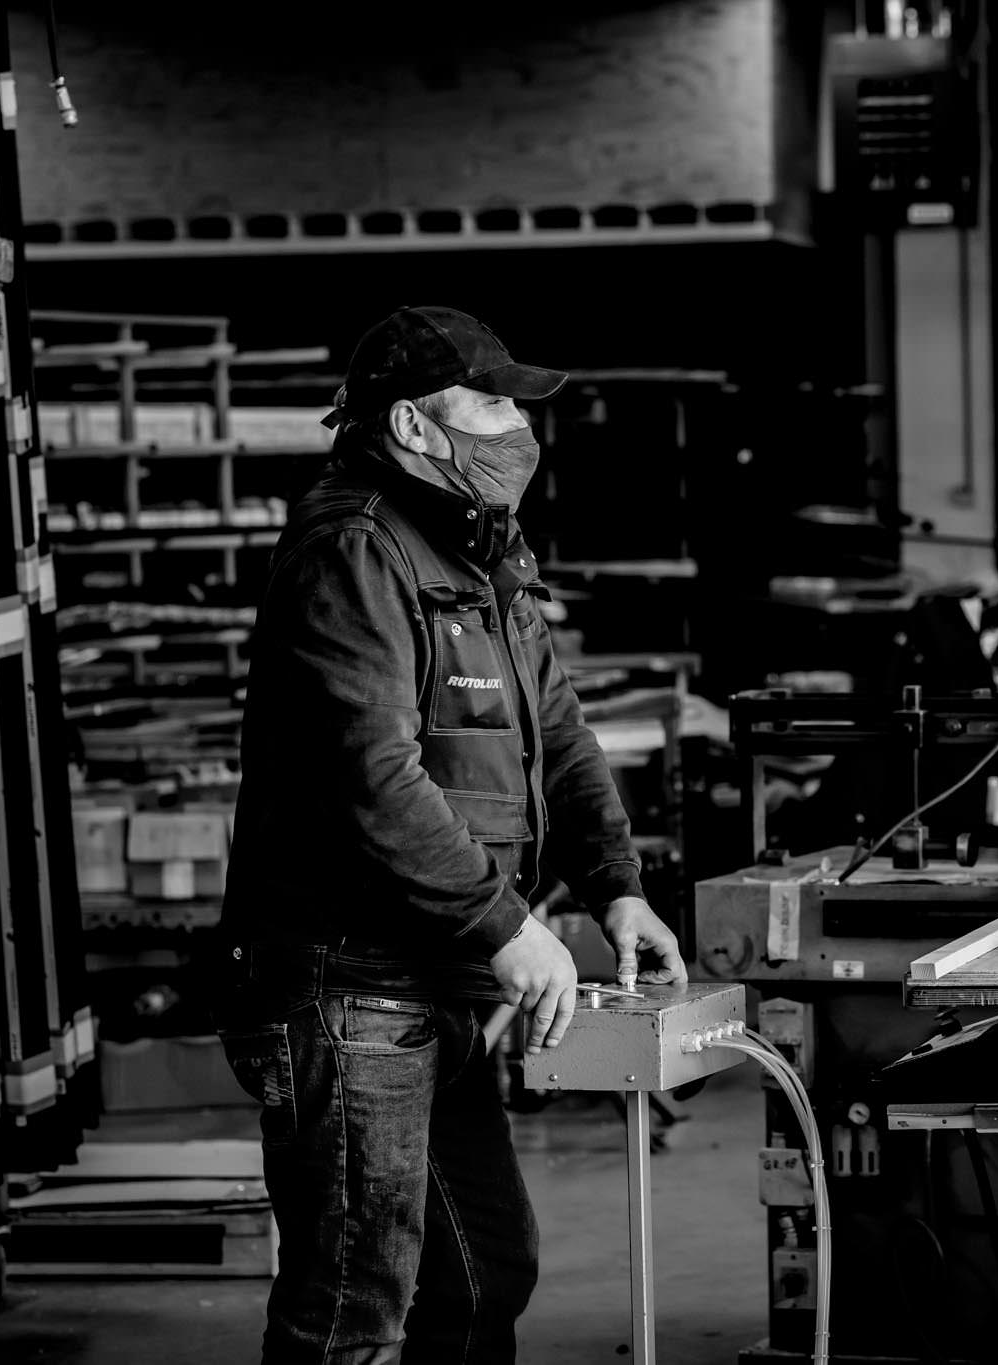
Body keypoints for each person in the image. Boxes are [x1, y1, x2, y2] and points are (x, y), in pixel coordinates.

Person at [216, 304, 687, 1363]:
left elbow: (553, 732)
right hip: (352, 990)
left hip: (436, 980)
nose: (519, 424)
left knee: (479, 1275)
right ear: (417, 426)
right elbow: (370, 774)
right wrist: (504, 924)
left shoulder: (480, 555)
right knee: (352, 1307)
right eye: (492, 402)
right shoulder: (353, 553)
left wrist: (615, 884)